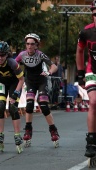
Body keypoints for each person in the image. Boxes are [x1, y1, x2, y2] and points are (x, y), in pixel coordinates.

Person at [15, 33, 60, 148]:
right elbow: (13, 65)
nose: (29, 46)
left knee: (44, 106)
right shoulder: (22, 55)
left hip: (41, 82)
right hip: (30, 82)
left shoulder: (40, 55)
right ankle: (28, 130)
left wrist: (49, 72)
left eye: (32, 44)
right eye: (27, 44)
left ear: (36, 45)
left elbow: (54, 66)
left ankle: (53, 130)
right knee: (29, 105)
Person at [0, 41, 24, 153]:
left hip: (14, 84)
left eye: (2, 55)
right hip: (1, 83)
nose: (0, 58)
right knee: (0, 106)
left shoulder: (13, 63)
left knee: (13, 108)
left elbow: (21, 79)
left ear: (7, 55)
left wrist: (16, 92)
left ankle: (17, 135)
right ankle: (0, 134)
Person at [76, 0, 96, 158]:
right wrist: (80, 73)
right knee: (94, 102)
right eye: (95, 14)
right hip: (92, 71)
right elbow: (80, 52)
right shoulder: (86, 32)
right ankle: (91, 141)